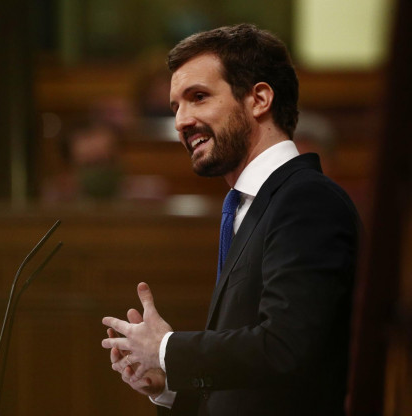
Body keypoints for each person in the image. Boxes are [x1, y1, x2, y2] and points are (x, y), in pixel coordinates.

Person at [101, 23, 359, 415]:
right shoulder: (250, 206)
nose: (181, 122)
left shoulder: (308, 199)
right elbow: (250, 387)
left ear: (258, 99)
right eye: (176, 107)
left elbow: (285, 348)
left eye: (198, 97)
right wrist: (168, 383)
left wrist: (168, 350)